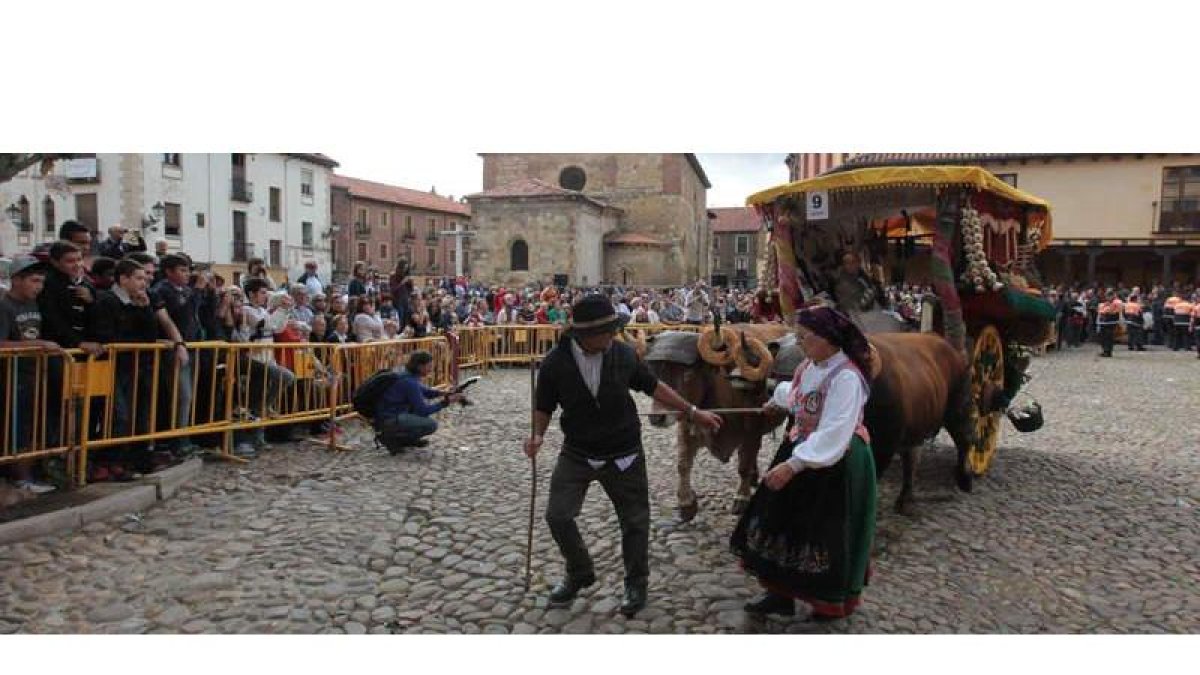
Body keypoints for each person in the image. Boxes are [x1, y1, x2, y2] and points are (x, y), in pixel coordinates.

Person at [524, 295, 722, 618]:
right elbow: (543, 405)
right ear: (584, 335)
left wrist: (692, 411)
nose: (614, 335)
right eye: (608, 331)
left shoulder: (624, 355)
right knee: (558, 515)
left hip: (624, 452)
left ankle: (636, 583)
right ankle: (579, 571)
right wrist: (537, 435)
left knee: (634, 522)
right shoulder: (554, 364)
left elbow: (653, 386)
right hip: (578, 452)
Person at [731, 305, 877, 622]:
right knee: (780, 519)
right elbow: (797, 394)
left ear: (828, 338)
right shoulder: (810, 365)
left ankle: (826, 600)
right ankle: (779, 593)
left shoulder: (847, 377)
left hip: (835, 459)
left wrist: (793, 466)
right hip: (802, 448)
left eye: (805, 337)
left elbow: (835, 431)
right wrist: (776, 401)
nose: (800, 343)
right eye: (799, 336)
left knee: (824, 530)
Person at [0, 255, 64, 493]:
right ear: (17, 280)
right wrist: (38, 345)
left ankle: (32, 472)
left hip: (33, 374)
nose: (38, 287)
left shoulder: (33, 304)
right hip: (13, 376)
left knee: (34, 425)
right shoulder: (5, 306)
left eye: (41, 282)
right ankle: (21, 478)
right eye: (34, 281)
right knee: (19, 427)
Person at [374, 350, 464, 454]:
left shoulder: (406, 374)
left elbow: (425, 392)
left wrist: (444, 393)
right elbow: (423, 411)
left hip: (389, 414)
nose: (431, 369)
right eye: (429, 366)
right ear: (420, 367)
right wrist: (446, 402)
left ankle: (404, 440)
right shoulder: (409, 382)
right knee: (430, 424)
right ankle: (390, 437)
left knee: (421, 419)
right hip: (389, 417)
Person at [1096, 290, 1122, 358]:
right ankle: (1104, 350)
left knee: (1108, 337)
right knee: (1103, 337)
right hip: (1104, 321)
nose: (1107, 297)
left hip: (1110, 321)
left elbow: (1114, 311)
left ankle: (1108, 351)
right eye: (1106, 296)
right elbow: (1101, 310)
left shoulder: (1117, 302)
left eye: (1108, 296)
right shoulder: (1106, 303)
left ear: (1112, 296)